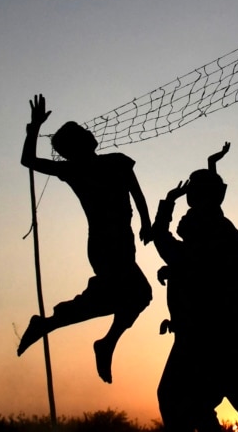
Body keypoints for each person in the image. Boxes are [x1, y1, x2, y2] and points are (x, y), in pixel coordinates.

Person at [17, 94, 152, 384]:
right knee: (136, 295)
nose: (89, 133)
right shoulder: (73, 170)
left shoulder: (117, 162)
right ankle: (77, 334)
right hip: (105, 245)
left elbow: (137, 194)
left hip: (122, 242)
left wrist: (146, 222)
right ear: (75, 148)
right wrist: (34, 128)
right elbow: (27, 160)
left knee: (129, 297)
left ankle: (60, 328)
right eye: (80, 133)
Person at [151, 145, 238, 432]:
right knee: (218, 406)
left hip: (209, 342)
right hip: (222, 340)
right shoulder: (216, 229)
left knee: (175, 399)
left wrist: (167, 204)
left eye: (195, 194)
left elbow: (167, 244)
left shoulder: (210, 231)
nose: (190, 205)